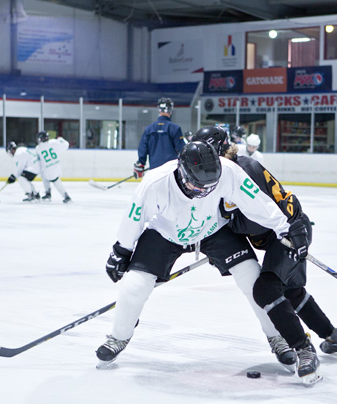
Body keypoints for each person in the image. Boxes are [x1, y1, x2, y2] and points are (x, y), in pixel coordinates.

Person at [98, 142, 310, 377]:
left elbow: (256, 201)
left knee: (252, 279)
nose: (204, 193)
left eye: (210, 187)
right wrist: (122, 251)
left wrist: (285, 228)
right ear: (182, 170)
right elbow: (134, 218)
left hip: (214, 230)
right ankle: (119, 336)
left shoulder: (227, 171)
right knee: (133, 286)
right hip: (166, 233)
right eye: (197, 186)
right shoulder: (155, 183)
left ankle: (276, 336)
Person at [194, 125, 337, 385]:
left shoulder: (246, 170)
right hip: (269, 239)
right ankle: (334, 339)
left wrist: (297, 231)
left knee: (266, 290)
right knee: (292, 292)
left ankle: (303, 349)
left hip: (290, 231)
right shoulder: (210, 182)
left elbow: (284, 199)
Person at [133, 97, 185, 179]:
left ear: (159, 110)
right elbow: (182, 150)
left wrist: (141, 164)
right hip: (171, 170)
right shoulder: (175, 128)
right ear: (170, 110)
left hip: (154, 170)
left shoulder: (149, 129)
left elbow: (142, 149)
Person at [34, 131, 72, 204]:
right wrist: (61, 139)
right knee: (54, 180)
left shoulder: (38, 148)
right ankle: (61, 195)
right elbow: (66, 145)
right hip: (57, 167)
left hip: (47, 169)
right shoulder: (54, 142)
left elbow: (39, 161)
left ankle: (64, 196)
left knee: (46, 176)